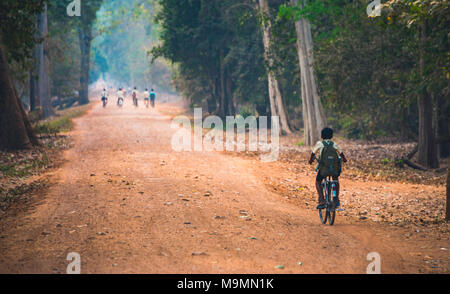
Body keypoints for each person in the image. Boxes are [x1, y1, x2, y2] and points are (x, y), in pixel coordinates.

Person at [308, 127, 348, 209]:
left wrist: (311, 160)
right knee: (335, 180)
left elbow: (313, 153)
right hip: (334, 169)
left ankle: (322, 199)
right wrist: (344, 159)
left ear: (322, 136)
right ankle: (336, 198)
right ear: (332, 136)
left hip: (323, 169)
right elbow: (341, 154)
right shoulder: (334, 144)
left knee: (318, 181)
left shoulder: (320, 144)